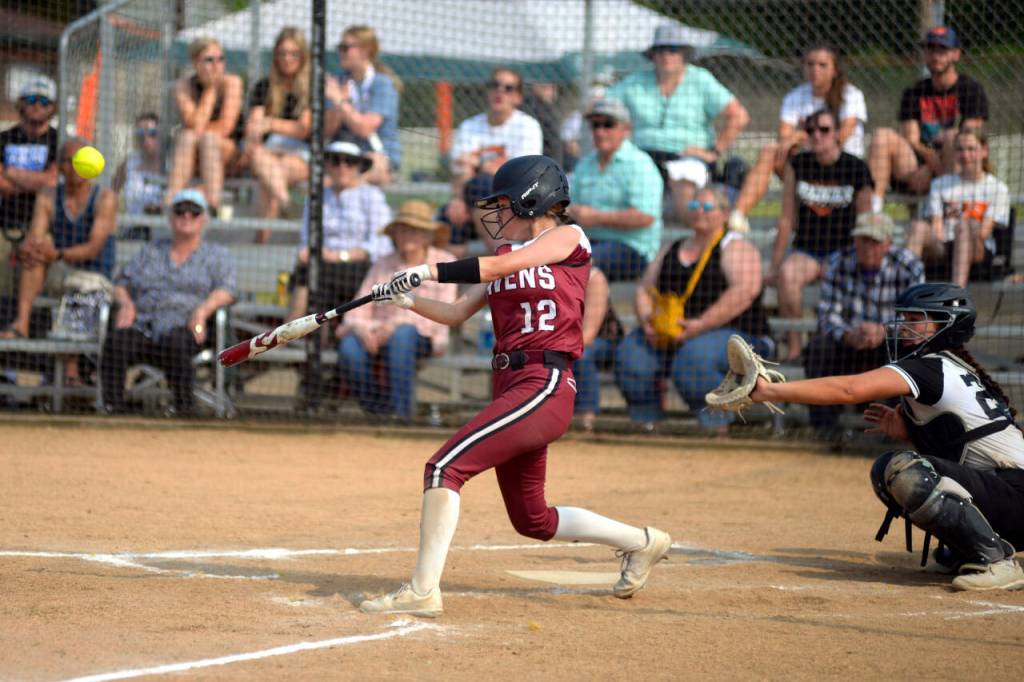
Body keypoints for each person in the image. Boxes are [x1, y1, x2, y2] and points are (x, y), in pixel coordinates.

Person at [358, 155, 671, 616]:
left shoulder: (568, 237)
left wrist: (429, 269)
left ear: (533, 197)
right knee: (532, 519)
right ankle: (642, 543)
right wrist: (407, 299)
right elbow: (456, 312)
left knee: (445, 467)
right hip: (509, 384)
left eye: (505, 203)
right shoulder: (503, 258)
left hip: (544, 381)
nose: (498, 213)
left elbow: (504, 267)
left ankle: (423, 590)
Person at [751, 282, 1024, 592]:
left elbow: (849, 390)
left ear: (948, 324)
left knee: (904, 471)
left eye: (915, 320)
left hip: (1016, 495)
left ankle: (997, 561)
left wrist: (770, 390)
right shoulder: (953, 367)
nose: (905, 328)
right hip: (1010, 496)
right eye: (904, 320)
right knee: (885, 469)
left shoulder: (930, 368)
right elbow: (966, 444)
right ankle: (970, 547)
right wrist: (912, 432)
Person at [615, 186, 771, 434]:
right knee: (631, 354)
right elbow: (644, 289)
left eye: (708, 207)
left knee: (693, 360)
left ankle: (717, 425)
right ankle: (647, 422)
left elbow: (745, 291)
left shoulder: (735, 247)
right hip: (673, 332)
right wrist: (647, 322)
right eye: (694, 206)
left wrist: (701, 325)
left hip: (736, 335)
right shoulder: (672, 247)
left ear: (724, 213)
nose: (700, 212)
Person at [102, 189, 236, 416]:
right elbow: (121, 281)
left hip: (187, 328)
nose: (186, 217)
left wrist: (202, 312)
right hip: (145, 326)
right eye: (180, 211)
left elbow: (228, 290)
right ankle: (113, 407)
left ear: (203, 219)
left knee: (176, 343)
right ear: (170, 217)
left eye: (194, 212)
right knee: (118, 340)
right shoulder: (151, 251)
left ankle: (185, 408)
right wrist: (126, 303)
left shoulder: (216, 255)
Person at [608, 24, 749, 221]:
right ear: (652, 55)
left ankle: (691, 236)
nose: (666, 55)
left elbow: (739, 116)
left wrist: (714, 152)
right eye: (660, 50)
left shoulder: (701, 80)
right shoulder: (635, 81)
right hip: (643, 155)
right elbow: (602, 106)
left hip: (687, 157)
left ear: (683, 54)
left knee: (684, 174)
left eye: (673, 49)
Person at [804, 213, 925, 435]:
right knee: (817, 348)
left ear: (888, 243)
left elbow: (918, 320)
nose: (868, 247)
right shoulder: (837, 262)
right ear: (854, 240)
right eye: (863, 240)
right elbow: (827, 315)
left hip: (890, 345)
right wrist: (848, 335)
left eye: (875, 241)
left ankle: (896, 428)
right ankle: (825, 431)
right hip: (850, 344)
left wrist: (885, 331)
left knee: (912, 350)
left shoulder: (909, 265)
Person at [337, 200, 456, 421]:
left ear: (427, 236)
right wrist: (363, 330)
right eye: (402, 229)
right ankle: (379, 412)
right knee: (349, 348)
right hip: (376, 334)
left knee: (403, 336)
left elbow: (444, 315)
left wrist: (398, 324)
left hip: (421, 337)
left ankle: (402, 417)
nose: (407, 235)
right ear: (394, 234)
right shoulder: (382, 263)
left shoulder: (445, 263)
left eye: (414, 230)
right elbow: (358, 307)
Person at [729, 44, 867, 232]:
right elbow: (784, 139)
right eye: (810, 64)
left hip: (842, 169)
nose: (814, 70)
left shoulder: (851, 96)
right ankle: (737, 216)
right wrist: (802, 138)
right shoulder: (795, 97)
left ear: (835, 70)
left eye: (822, 65)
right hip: (807, 167)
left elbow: (839, 139)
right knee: (770, 151)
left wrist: (801, 135)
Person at [770, 108, 873, 359]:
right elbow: (786, 218)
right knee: (787, 275)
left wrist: (852, 258)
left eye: (824, 129)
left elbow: (866, 222)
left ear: (837, 133)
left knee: (836, 278)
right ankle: (795, 346)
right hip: (807, 250)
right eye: (811, 130)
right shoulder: (799, 164)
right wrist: (774, 266)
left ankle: (826, 345)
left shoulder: (856, 167)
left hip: (843, 251)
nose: (817, 135)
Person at [1, 138, 117, 346]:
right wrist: (32, 246)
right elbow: (37, 235)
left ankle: (71, 372)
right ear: (60, 167)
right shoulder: (49, 195)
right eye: (68, 161)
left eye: (79, 160)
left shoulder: (104, 197)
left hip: (94, 274)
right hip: (61, 269)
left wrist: (57, 254)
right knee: (33, 258)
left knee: (80, 287)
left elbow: (93, 249)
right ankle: (22, 324)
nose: (74, 167)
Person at [867, 27, 988, 211]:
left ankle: (951, 209)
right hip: (916, 168)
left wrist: (931, 168)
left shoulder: (971, 90)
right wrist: (930, 160)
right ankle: (872, 214)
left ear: (956, 54)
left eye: (942, 50)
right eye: (930, 49)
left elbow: (971, 139)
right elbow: (911, 139)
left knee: (952, 136)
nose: (935, 55)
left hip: (956, 166)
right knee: (882, 135)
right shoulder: (914, 92)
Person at [286, 141, 393, 323]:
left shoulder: (372, 196)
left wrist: (340, 256)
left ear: (359, 166)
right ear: (327, 165)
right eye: (335, 161)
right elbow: (306, 238)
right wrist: (307, 252)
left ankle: (284, 335)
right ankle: (299, 336)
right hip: (320, 265)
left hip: (359, 268)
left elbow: (380, 245)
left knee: (310, 276)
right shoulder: (316, 197)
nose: (342, 167)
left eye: (349, 161)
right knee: (309, 272)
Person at [566, 98, 664, 283]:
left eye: (608, 124)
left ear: (626, 129)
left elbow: (645, 216)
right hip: (589, 241)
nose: (600, 131)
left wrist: (596, 217)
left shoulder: (640, 164)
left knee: (580, 264)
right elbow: (571, 206)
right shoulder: (585, 164)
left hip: (632, 248)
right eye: (595, 125)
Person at [443, 67, 542, 243]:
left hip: (516, 199)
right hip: (471, 197)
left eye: (508, 88)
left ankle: (505, 257)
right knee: (445, 219)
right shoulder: (470, 126)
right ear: (488, 91)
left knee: (482, 183)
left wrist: (478, 163)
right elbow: (461, 170)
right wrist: (458, 199)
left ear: (518, 97)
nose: (500, 91)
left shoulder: (527, 126)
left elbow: (520, 175)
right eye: (495, 85)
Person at [907, 127, 1010, 288]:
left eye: (971, 149)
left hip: (978, 252)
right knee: (918, 227)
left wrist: (963, 223)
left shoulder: (997, 188)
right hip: (945, 249)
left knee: (964, 226)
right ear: (954, 153)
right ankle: (906, 293)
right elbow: (937, 227)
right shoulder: (940, 184)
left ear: (984, 151)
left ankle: (956, 296)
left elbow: (984, 232)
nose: (965, 155)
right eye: (960, 149)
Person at [165, 37, 243, 215]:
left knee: (205, 138)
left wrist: (214, 88)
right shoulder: (183, 85)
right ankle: (170, 201)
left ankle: (213, 203)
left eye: (221, 59)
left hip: (228, 153)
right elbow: (192, 124)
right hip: (193, 156)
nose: (217, 65)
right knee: (186, 137)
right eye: (209, 60)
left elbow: (226, 128)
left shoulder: (232, 82)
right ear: (195, 62)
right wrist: (210, 90)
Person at [246, 27, 312, 234]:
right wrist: (256, 132)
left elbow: (303, 128)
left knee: (273, 177)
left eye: (293, 53)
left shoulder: (311, 87)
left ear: (303, 56)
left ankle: (262, 244)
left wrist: (271, 123)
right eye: (282, 53)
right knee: (262, 160)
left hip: (301, 154)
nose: (287, 58)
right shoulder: (264, 86)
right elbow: (254, 125)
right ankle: (286, 203)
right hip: (268, 152)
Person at [0, 76, 59, 298]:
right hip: (5, 224)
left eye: (44, 101)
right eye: (32, 99)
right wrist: (38, 180)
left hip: (43, 230)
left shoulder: (58, 141)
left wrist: (11, 172)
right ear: (20, 103)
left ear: (53, 107)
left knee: (32, 290)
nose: (37, 105)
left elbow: (52, 181)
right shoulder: (4, 138)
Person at [324, 25, 402, 185]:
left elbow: (365, 129)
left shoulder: (382, 83)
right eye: (340, 47)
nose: (341, 52)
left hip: (377, 155)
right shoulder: (337, 80)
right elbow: (326, 130)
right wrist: (338, 109)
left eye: (346, 48)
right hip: (342, 154)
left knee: (353, 177)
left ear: (365, 51)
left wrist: (340, 101)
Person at [572, 266, 623, 433]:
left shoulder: (594, 277)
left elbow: (588, 336)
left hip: (604, 342)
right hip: (563, 342)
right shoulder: (545, 274)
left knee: (582, 355)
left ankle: (586, 418)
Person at [113, 112, 165, 220]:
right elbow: (112, 191)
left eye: (152, 133)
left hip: (162, 228)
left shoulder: (171, 164)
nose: (146, 139)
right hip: (133, 228)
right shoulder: (130, 162)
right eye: (140, 133)